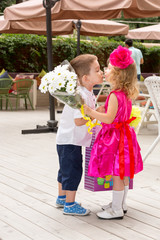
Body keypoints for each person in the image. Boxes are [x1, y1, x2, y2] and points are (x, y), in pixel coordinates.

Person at [83, 46, 143, 220]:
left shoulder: (115, 95)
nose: (105, 70)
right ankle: (121, 204)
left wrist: (91, 112)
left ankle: (116, 209)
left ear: (118, 74)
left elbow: (109, 119)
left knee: (117, 174)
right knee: (123, 173)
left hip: (116, 138)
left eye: (108, 68)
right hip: (125, 136)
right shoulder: (124, 93)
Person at [56, 54, 103, 216]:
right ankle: (70, 204)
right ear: (85, 78)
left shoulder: (86, 93)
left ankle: (62, 198)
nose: (102, 72)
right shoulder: (80, 96)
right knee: (73, 171)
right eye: (97, 70)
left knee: (64, 170)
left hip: (67, 140)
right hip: (70, 141)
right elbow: (79, 120)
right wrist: (96, 114)